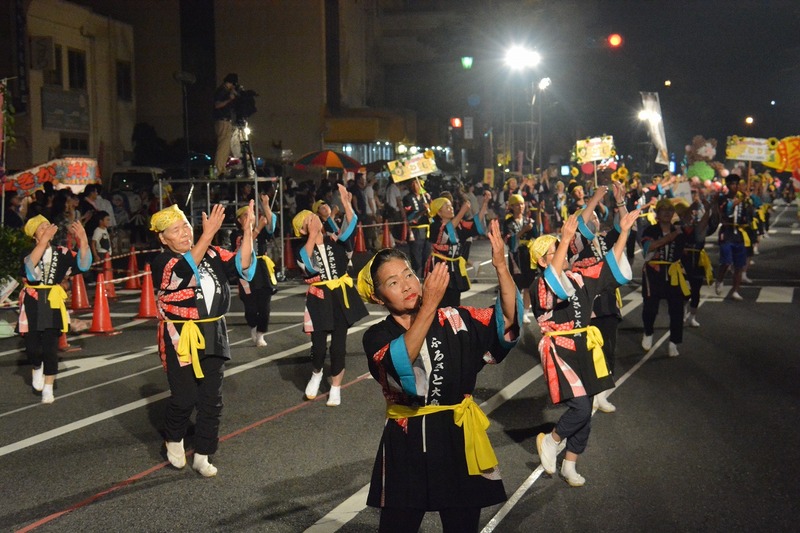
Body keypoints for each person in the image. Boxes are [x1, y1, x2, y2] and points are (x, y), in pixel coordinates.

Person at [357, 218, 521, 533]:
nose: (406, 284)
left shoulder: (457, 318)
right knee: (397, 526)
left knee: (462, 526)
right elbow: (402, 363)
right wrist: (430, 303)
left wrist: (501, 268)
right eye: (392, 282)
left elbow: (507, 320)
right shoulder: (376, 336)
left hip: (458, 433)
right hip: (406, 440)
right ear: (378, 298)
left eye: (408, 274)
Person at [532, 207, 639, 487]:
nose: (563, 252)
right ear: (543, 262)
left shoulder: (579, 277)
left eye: (563, 249)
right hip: (560, 348)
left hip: (584, 346)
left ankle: (570, 463)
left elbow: (609, 266)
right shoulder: (541, 284)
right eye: (555, 251)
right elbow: (555, 283)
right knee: (579, 407)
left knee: (588, 405)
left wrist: (624, 231)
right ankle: (552, 440)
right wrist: (566, 237)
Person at [150, 202, 255, 477]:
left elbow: (242, 264)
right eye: (175, 230)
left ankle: (203, 453)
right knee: (185, 397)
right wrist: (207, 234)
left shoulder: (211, 253)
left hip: (213, 331)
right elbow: (183, 272)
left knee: (212, 399)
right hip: (180, 335)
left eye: (186, 226)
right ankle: (174, 437)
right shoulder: (162, 261)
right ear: (163, 238)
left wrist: (249, 229)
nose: (185, 233)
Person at [295, 183, 368, 406]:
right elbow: (305, 265)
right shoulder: (302, 248)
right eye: (308, 221)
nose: (314, 219)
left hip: (341, 296)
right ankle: (316, 373)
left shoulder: (335, 239)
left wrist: (346, 202)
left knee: (339, 346)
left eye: (313, 217)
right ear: (303, 229)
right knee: (318, 346)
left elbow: (351, 225)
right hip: (319, 298)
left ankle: (336, 386)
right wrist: (311, 236)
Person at [18, 215, 91, 403]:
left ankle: (49, 386)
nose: (46, 230)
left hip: (51, 299)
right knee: (33, 346)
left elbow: (83, 265)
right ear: (34, 235)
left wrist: (82, 240)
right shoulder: (28, 251)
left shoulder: (62, 252)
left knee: (50, 346)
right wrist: (41, 243)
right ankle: (36, 366)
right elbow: (29, 272)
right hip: (33, 299)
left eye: (47, 226)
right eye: (41, 229)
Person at [569, 182, 628, 413]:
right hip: (585, 304)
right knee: (586, 351)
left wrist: (620, 201)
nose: (595, 220)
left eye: (596, 216)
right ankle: (586, 392)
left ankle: (601, 395)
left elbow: (624, 226)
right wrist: (593, 199)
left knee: (608, 348)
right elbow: (581, 224)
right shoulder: (575, 243)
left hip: (607, 302)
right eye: (590, 217)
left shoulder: (603, 239)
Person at [641, 198, 690, 357]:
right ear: (657, 213)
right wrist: (673, 235)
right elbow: (649, 247)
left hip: (674, 273)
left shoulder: (680, 231)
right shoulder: (650, 230)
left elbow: (698, 234)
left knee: (677, 310)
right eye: (663, 210)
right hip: (653, 273)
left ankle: (674, 342)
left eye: (670, 210)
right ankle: (648, 332)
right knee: (650, 308)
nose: (667, 213)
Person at [425, 190, 491, 307]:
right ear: (439, 212)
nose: (451, 208)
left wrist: (485, 203)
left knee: (455, 299)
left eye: (451, 206)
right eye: (447, 207)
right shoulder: (435, 225)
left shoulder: (459, 225)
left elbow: (473, 224)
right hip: (440, 266)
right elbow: (446, 233)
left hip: (454, 267)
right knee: (440, 300)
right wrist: (462, 211)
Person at [230, 193, 277, 347]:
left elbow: (270, 225)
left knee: (265, 306)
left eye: (252, 214)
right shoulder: (235, 235)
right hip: (246, 271)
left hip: (262, 269)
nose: (250, 217)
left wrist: (265, 205)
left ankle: (261, 333)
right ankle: (253, 326)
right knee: (250, 305)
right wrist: (257, 228)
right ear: (239, 220)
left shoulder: (262, 230)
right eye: (246, 215)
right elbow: (243, 244)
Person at [503, 193, 542, 323]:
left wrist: (536, 220)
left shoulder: (528, 220)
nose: (520, 207)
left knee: (529, 285)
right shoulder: (508, 223)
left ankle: (525, 312)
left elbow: (537, 236)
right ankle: (515, 311)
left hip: (529, 255)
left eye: (522, 204)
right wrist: (524, 230)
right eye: (517, 205)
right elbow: (508, 240)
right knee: (516, 285)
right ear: (511, 207)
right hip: (516, 257)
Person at [714, 175, 749, 300]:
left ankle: (735, 290)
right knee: (726, 261)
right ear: (728, 185)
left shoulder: (743, 199)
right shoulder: (723, 199)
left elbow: (746, 215)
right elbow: (725, 212)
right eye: (733, 184)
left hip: (738, 234)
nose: (735, 186)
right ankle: (719, 279)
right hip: (726, 232)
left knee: (739, 265)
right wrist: (736, 203)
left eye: (737, 183)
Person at [403, 178, 431, 277]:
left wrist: (430, 207)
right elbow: (409, 217)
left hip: (427, 230)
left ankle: (425, 276)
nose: (418, 185)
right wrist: (423, 211)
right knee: (416, 258)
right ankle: (416, 277)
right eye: (415, 183)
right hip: (415, 230)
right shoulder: (408, 198)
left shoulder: (426, 197)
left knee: (427, 256)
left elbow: (432, 214)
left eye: (419, 183)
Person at [213, 73, 239, 177]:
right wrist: (230, 99)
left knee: (226, 146)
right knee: (222, 146)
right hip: (222, 121)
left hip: (226, 121)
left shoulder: (225, 91)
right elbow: (217, 104)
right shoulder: (222, 91)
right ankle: (218, 169)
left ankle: (222, 168)